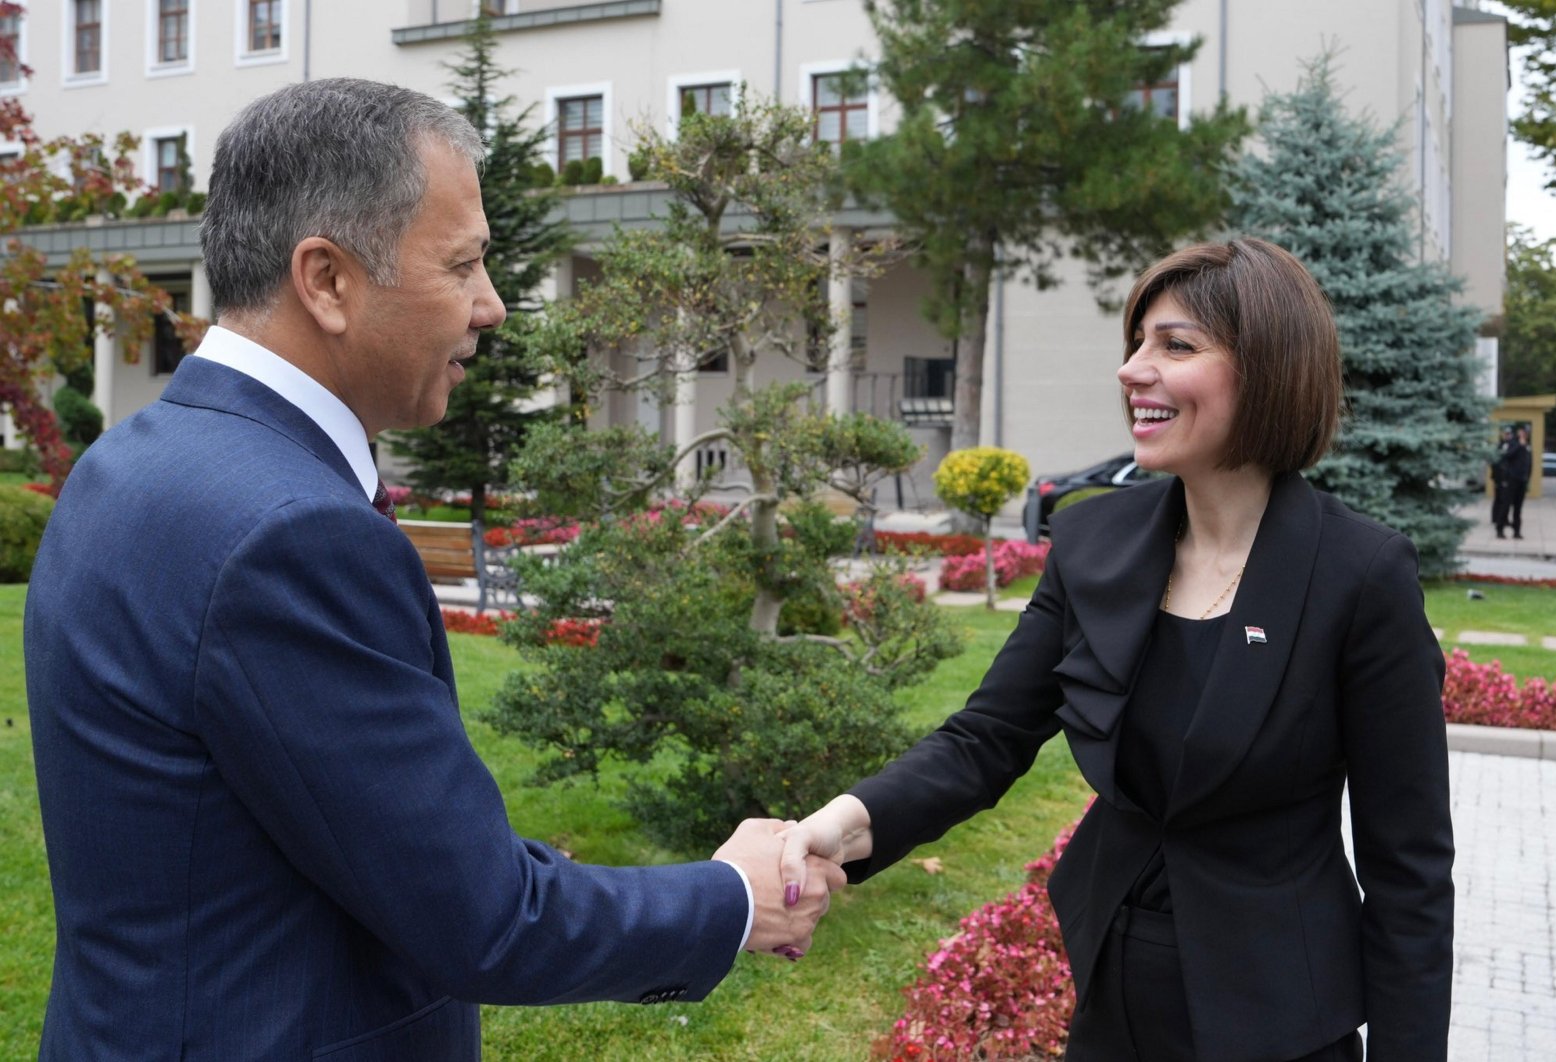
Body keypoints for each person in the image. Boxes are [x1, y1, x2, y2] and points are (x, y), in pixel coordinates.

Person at [24, 79, 842, 1061]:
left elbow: (327, 840)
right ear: (327, 280)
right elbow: (482, 918)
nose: (492, 307)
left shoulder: (130, 463)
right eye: (463, 265)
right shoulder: (287, 533)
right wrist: (731, 897)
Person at [778, 238, 1454, 1061]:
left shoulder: (1360, 576)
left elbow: (1408, 868)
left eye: (1176, 345)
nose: (1134, 369)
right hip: (1115, 993)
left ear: (1270, 369)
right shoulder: (1096, 539)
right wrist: (841, 824)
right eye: (1137, 343)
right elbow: (986, 739)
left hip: (1281, 1017)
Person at [1498, 425, 1532, 539]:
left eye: (1526, 432)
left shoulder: (1528, 446)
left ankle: (1517, 531)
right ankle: (1500, 529)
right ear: (1518, 432)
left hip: (1522, 480)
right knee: (1506, 505)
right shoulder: (1513, 443)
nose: (1525, 434)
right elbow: (1507, 456)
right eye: (1523, 431)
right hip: (1511, 478)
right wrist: (1519, 446)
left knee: (1518, 507)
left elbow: (1529, 464)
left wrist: (1528, 479)